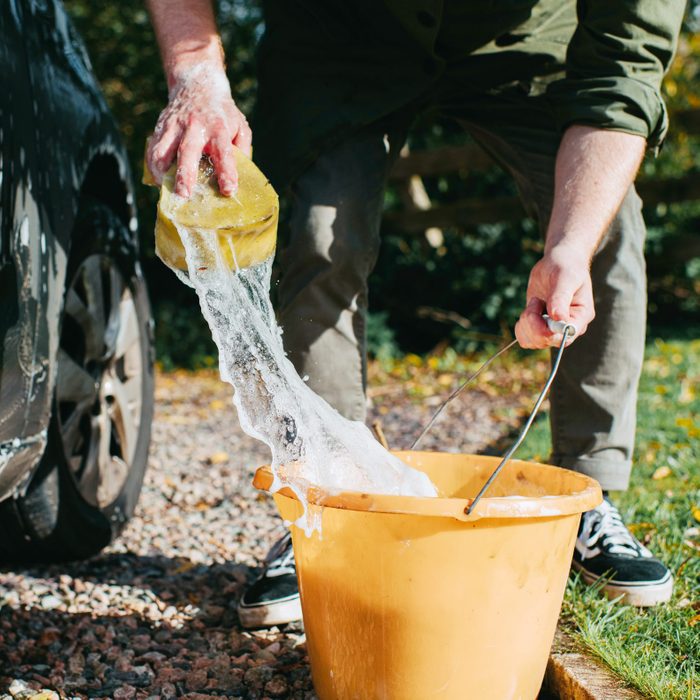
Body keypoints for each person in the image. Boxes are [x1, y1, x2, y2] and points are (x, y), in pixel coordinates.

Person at [146, 0, 686, 626]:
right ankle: (329, 504)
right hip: (342, 35)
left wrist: (570, 244)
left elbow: (623, 67)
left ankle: (588, 496)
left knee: (605, 225)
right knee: (321, 235)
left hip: (531, 38)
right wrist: (195, 72)